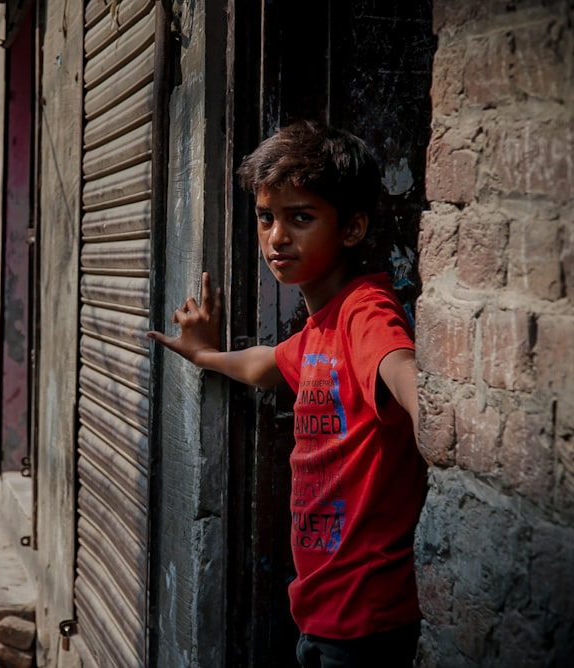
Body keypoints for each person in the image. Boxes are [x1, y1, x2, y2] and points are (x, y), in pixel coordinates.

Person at [147, 121, 427, 668]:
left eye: (301, 218)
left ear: (351, 229)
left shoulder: (364, 312)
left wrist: (430, 416)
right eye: (266, 217)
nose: (277, 237)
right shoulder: (321, 329)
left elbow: (402, 370)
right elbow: (268, 365)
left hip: (367, 619)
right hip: (322, 610)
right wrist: (204, 355)